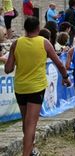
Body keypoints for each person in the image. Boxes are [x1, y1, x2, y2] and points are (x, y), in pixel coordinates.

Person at [4, 16, 71, 156]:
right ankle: (26, 153)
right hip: (36, 87)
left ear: (25, 28)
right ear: (38, 29)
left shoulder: (16, 43)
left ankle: (31, 148)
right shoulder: (44, 42)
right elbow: (59, 63)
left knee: (26, 121)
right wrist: (65, 77)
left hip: (20, 87)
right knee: (31, 124)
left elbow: (8, 69)